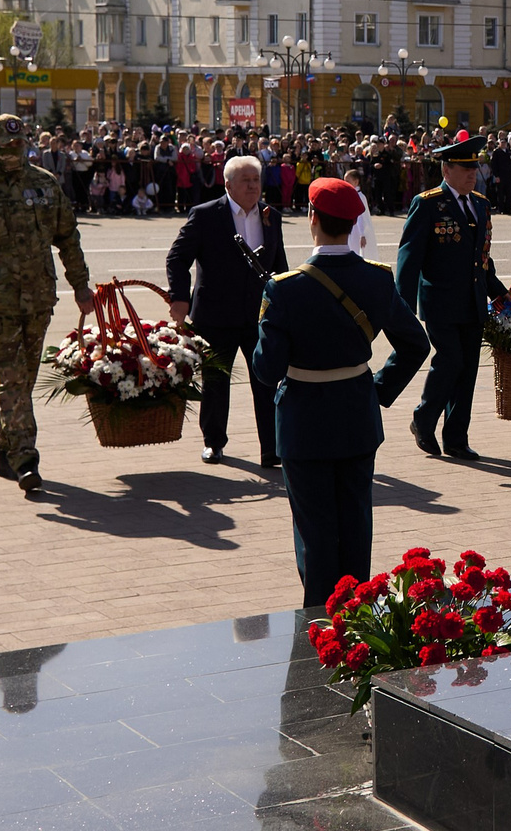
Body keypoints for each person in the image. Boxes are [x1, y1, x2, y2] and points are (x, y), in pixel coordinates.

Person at [255, 177, 429, 612]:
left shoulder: (284, 287)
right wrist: (377, 389)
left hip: (303, 420)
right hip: (356, 414)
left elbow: (266, 369)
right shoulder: (377, 278)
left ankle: (320, 621)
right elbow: (415, 344)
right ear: (353, 224)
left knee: (315, 534)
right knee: (355, 528)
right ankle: (357, 617)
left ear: (312, 218)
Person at [0, 114, 95, 492]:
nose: (13, 152)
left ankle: (3, 448)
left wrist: (81, 286)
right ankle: (25, 457)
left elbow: (67, 237)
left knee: (20, 382)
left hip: (38, 300)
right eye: (6, 146)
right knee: (11, 379)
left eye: (19, 145)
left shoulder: (44, 184)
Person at [166, 153, 290, 468]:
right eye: (245, 180)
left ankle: (272, 449)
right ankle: (213, 442)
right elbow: (177, 258)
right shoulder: (206, 215)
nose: (252, 186)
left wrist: (287, 303)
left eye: (256, 180)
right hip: (215, 316)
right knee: (215, 383)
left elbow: (279, 264)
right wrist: (179, 297)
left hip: (259, 315)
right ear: (228, 184)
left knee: (266, 381)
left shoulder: (271, 216)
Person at [393, 132, 503, 460]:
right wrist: (402, 307)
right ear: (446, 170)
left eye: (474, 168)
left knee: (467, 370)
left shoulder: (481, 205)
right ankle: (424, 419)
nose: (472, 174)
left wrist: (503, 297)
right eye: (464, 168)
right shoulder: (428, 204)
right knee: (450, 361)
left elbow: (483, 261)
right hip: (439, 302)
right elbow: (409, 259)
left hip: (473, 302)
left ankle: (456, 438)